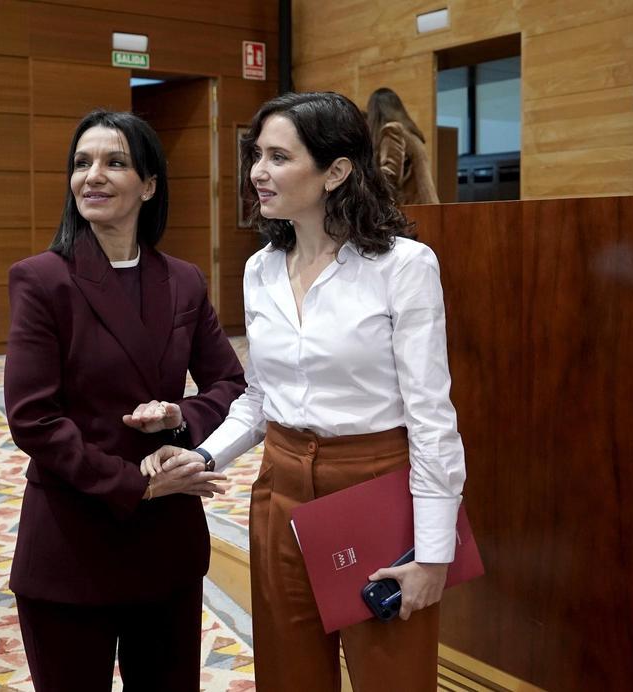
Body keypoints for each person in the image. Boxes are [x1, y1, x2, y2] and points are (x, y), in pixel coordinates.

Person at [143, 91, 466, 692]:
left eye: (278, 157)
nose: (257, 173)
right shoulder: (261, 267)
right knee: (288, 676)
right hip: (281, 489)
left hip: (375, 487)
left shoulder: (404, 266)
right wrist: (206, 454)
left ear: (336, 171)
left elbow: (432, 418)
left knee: (391, 678)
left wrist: (434, 554)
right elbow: (261, 397)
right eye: (256, 155)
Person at [3, 109, 246, 692]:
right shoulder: (42, 280)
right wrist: (133, 483)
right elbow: (33, 418)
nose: (94, 175)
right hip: (73, 537)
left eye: (115, 163)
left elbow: (230, 385)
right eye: (82, 163)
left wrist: (179, 416)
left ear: (150, 184)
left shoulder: (183, 280)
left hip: (165, 546)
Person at [367, 87, 439, 205]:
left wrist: (365, 183)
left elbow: (391, 173)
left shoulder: (392, 130)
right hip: (426, 205)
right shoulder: (411, 133)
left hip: (413, 208)